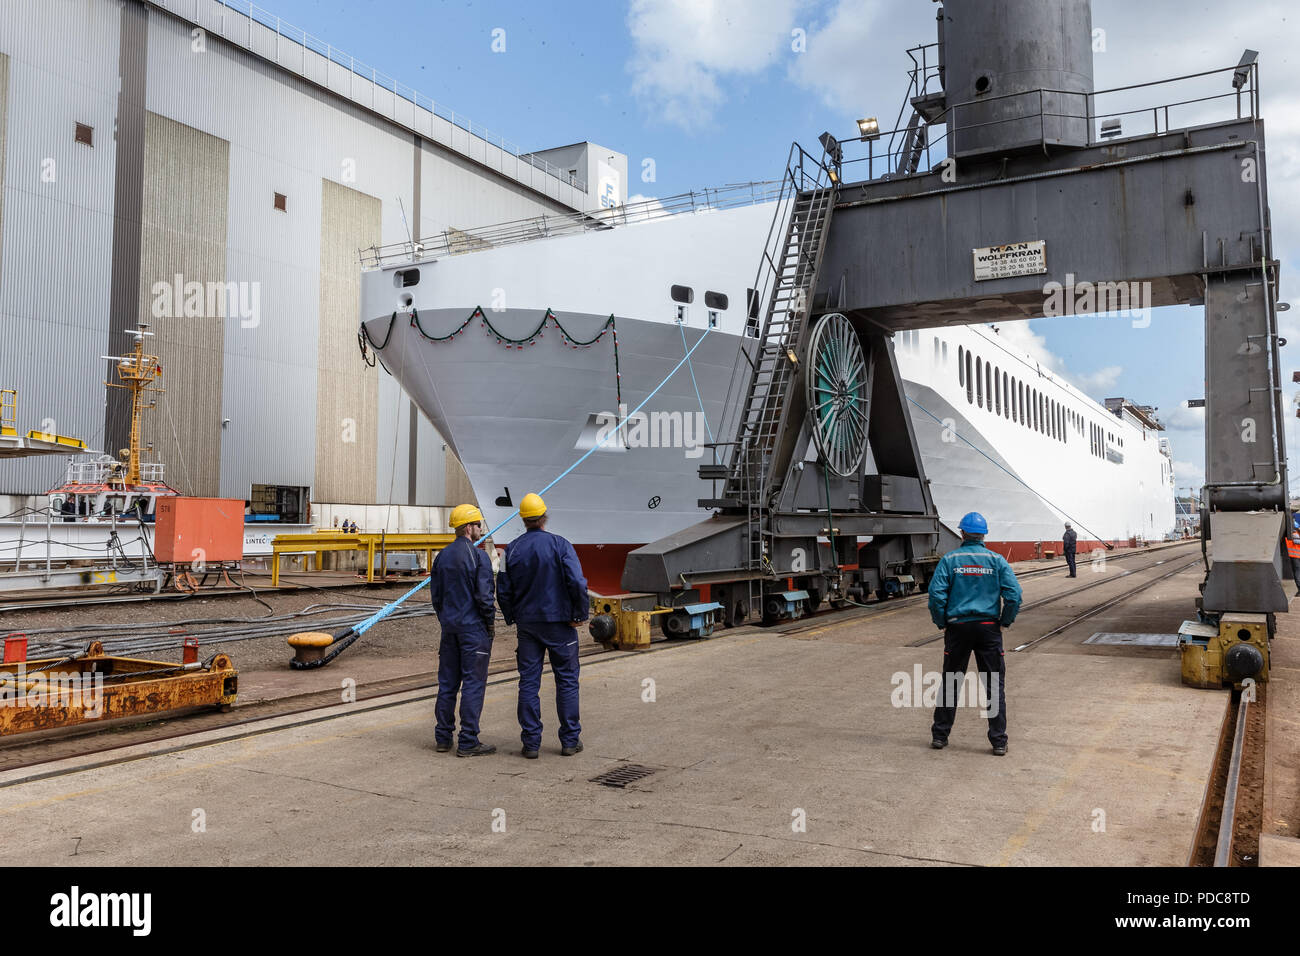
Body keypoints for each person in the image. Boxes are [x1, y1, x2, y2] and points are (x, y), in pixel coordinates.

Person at [497, 493, 588, 759]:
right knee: (567, 681)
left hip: (528, 626)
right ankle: (570, 741)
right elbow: (577, 583)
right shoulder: (561, 545)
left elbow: (502, 589)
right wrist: (579, 614)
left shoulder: (511, 549)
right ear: (544, 516)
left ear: (523, 519)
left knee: (528, 682)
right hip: (560, 623)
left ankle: (531, 743)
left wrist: (512, 617)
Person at [927, 511, 1022, 756]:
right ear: (984, 534)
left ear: (962, 532)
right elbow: (1014, 596)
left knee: (951, 681)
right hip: (988, 629)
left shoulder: (949, 560)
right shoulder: (996, 560)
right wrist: (1005, 622)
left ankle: (940, 735)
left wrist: (942, 623)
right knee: (993, 684)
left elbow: (936, 596)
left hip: (958, 627)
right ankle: (999, 741)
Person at [429, 504, 497, 757]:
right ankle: (468, 741)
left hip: (449, 629)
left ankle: (443, 738)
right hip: (472, 631)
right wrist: (489, 624)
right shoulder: (478, 556)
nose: (481, 529)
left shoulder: (442, 556)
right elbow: (484, 597)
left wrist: (446, 620)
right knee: (472, 684)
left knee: (447, 683)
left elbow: (436, 597)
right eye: (478, 525)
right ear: (469, 528)